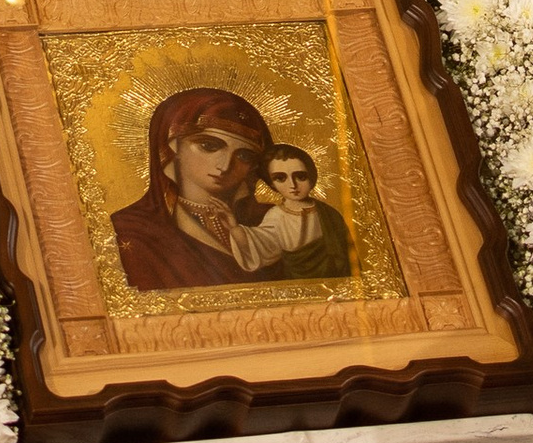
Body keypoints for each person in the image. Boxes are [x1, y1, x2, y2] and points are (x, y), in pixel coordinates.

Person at [109, 87, 274, 291]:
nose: (225, 166)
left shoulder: (271, 221)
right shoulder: (133, 230)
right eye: (209, 146)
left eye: (244, 156)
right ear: (173, 144)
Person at [236, 142, 352, 282]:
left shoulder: (330, 215)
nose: (292, 185)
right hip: (295, 284)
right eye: (280, 178)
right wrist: (233, 228)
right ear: (272, 183)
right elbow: (261, 246)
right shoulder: (276, 215)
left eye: (300, 177)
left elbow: (349, 258)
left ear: (312, 176)